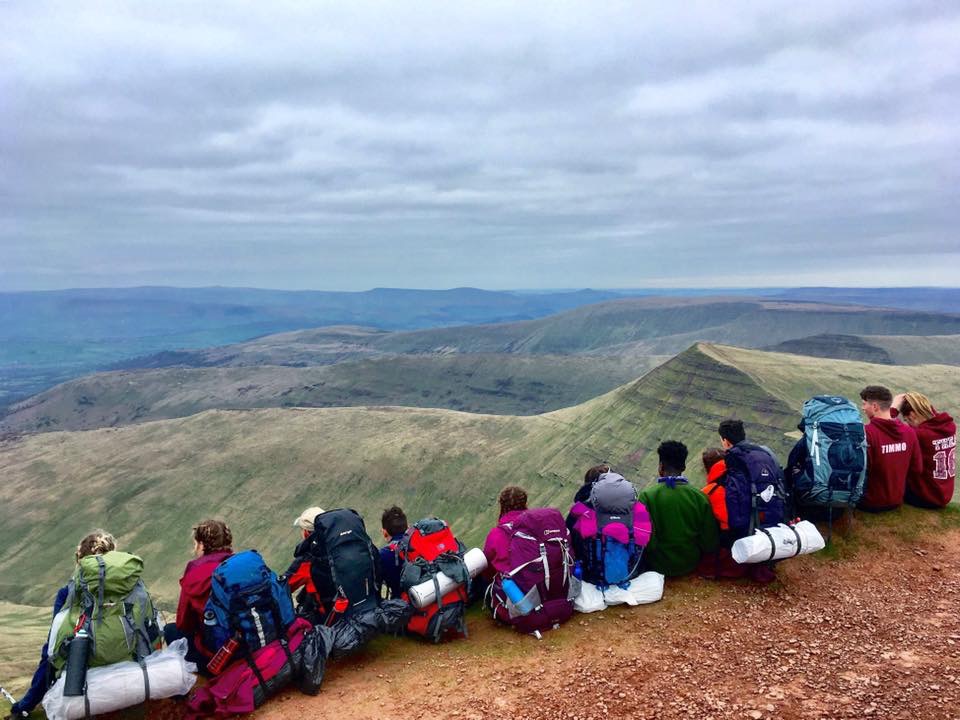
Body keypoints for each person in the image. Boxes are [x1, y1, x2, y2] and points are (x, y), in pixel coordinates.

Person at [9, 531, 117, 718]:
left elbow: (51, 654)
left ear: (80, 560)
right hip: (128, 674)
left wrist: (24, 705)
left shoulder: (67, 594)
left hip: (85, 680)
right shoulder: (131, 589)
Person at [637, 441, 719, 577]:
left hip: (658, 564)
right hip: (690, 563)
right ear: (684, 466)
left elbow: (647, 542)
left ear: (661, 466)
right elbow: (710, 542)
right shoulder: (699, 497)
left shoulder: (647, 497)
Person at [164, 520, 233, 671]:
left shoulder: (196, 571)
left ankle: (201, 672)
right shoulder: (237, 564)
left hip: (215, 655)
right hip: (246, 644)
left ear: (202, 545)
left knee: (170, 630)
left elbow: (183, 622)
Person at [858, 386, 921, 512]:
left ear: (875, 407)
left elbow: (861, 470)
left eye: (864, 404)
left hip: (870, 502)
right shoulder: (909, 432)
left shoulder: (867, 433)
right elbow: (917, 469)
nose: (863, 408)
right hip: (897, 499)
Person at [893, 392, 956, 508]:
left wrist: (894, 409)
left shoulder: (920, 435)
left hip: (925, 497)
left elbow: (890, 430)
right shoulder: (950, 426)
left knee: (891, 455)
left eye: (907, 420)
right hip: (944, 493)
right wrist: (917, 401)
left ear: (912, 415)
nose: (908, 424)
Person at [286, 506, 325, 621]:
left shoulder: (307, 561)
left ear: (307, 533)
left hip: (326, 618)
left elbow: (284, 587)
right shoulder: (340, 546)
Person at [483, 486, 528, 579]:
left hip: (515, 587)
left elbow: (487, 569)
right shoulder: (538, 523)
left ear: (502, 505)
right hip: (543, 578)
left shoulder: (495, 535)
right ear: (525, 502)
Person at [379, 505, 409, 599]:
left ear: (384, 532)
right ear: (408, 527)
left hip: (404, 606)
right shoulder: (420, 542)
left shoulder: (383, 555)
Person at [700, 448, 729, 535]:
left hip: (725, 541)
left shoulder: (706, 493)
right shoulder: (741, 482)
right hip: (751, 536)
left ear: (706, 468)